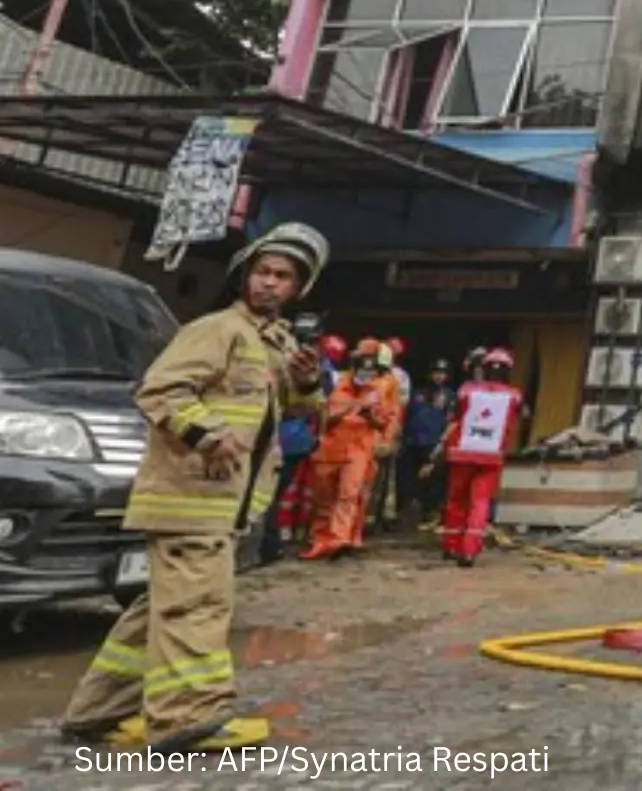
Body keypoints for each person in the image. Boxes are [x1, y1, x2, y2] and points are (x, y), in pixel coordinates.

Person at [59, 223, 329, 753]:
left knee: (161, 608)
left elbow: (295, 414)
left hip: (221, 503)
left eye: (283, 277)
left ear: (299, 289)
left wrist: (306, 381)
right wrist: (207, 433)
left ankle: (96, 711)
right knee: (198, 607)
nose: (269, 284)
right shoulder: (217, 329)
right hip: (192, 500)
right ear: (245, 274)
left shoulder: (272, 343)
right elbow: (159, 389)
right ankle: (186, 718)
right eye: (263, 272)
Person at [302, 341, 399, 560]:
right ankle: (320, 540)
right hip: (329, 450)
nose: (366, 375)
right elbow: (322, 417)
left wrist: (371, 417)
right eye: (362, 370)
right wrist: (350, 407)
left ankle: (339, 540)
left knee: (349, 495)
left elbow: (386, 420)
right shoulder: (335, 384)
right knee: (324, 499)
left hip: (359, 450)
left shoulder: (379, 390)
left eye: (370, 371)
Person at [431, 348, 522, 566]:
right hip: (491, 457)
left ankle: (450, 545)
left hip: (462, 453)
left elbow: (455, 417)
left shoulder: (466, 391)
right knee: (479, 503)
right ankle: (469, 550)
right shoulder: (514, 396)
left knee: (456, 501)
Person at [258, 334, 341, 565]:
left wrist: (320, 434)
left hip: (288, 440)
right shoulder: (318, 371)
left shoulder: (316, 373)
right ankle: (274, 542)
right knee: (276, 494)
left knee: (272, 494)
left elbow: (319, 406)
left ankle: (271, 545)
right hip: (293, 439)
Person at [400, 358, 456, 528]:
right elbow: (408, 416)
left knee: (432, 481)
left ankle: (429, 514)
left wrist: (442, 443)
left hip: (434, 443)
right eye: (436, 373)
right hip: (413, 442)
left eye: (442, 374)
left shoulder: (449, 396)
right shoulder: (418, 393)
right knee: (408, 480)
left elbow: (451, 421)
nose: (439, 377)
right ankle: (407, 515)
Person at [365, 338, 412, 533]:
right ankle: (368, 517)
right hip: (367, 431)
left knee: (385, 476)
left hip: (386, 429)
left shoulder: (398, 377)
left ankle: (382, 516)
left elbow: (399, 406)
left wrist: (391, 433)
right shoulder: (364, 374)